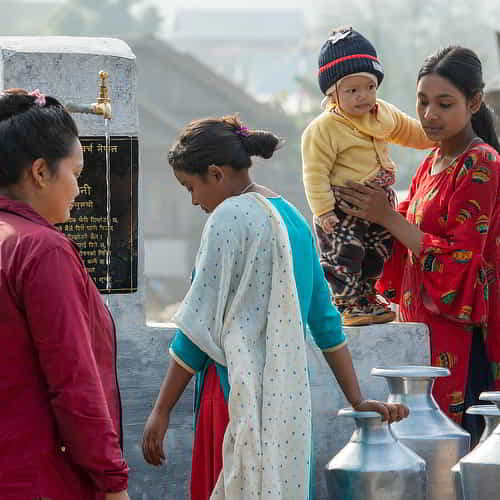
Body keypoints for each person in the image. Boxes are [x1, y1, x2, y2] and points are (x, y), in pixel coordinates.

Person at [142, 115, 408, 499]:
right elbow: (325, 322)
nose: (194, 200)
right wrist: (355, 397)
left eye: (190, 187)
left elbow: (197, 327)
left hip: (234, 393)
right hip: (289, 400)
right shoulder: (294, 219)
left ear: (215, 174)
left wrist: (162, 409)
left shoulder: (228, 217)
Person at [335, 46, 500, 445]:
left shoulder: (482, 164)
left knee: (458, 456)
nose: (429, 115)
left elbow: (460, 260)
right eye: (422, 102)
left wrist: (388, 217)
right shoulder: (432, 162)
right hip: (423, 331)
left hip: (465, 338)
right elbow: (402, 240)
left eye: (444, 104)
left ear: (474, 102)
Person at [0, 89, 130, 500]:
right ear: (40, 171)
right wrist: (112, 482)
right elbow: (74, 380)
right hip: (38, 477)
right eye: (75, 172)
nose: (79, 188)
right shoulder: (41, 250)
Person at [301, 27, 434, 326]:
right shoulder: (324, 128)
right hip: (342, 206)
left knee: (376, 252)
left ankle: (367, 297)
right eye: (352, 90)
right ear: (332, 93)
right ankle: (346, 302)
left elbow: (410, 132)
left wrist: (436, 138)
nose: (364, 96)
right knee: (345, 255)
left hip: (379, 202)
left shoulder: (382, 113)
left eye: (370, 87)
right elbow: (314, 172)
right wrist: (323, 211)